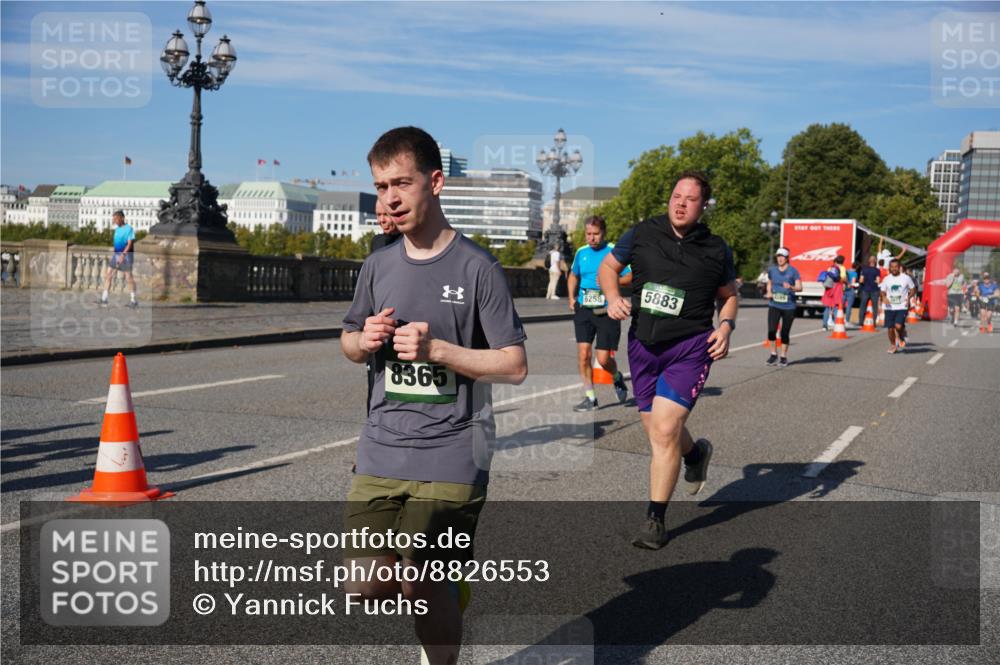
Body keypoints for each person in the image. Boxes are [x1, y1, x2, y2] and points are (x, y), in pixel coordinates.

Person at [340, 126, 528, 665]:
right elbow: (348, 342)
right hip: (381, 445)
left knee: (420, 577)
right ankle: (451, 589)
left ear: (436, 181)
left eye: (401, 182)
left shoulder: (478, 268)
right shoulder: (378, 265)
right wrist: (363, 340)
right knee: (365, 585)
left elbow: (514, 365)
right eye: (380, 187)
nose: (390, 198)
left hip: (452, 451)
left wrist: (440, 351)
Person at [598, 170, 738, 550]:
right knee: (660, 432)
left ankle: (654, 520)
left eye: (690, 199)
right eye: (677, 195)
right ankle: (696, 453)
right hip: (643, 347)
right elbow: (608, 268)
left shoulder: (715, 248)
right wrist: (612, 297)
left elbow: (728, 295)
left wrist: (725, 327)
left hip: (690, 348)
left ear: (703, 206)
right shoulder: (642, 233)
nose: (681, 203)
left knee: (663, 431)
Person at [567, 215, 631, 411]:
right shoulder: (581, 252)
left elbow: (630, 275)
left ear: (603, 233)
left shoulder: (614, 251)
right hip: (584, 310)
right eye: (588, 234)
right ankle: (590, 398)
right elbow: (573, 274)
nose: (591, 238)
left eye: (596, 234)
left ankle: (616, 376)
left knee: (603, 360)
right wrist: (571, 297)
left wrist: (612, 281)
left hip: (607, 311)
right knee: (583, 355)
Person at [764, 247, 802, 367]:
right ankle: (773, 354)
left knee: (784, 333)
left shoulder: (793, 271)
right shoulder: (772, 270)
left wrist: (791, 287)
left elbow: (800, 287)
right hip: (774, 304)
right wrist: (769, 292)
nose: (780, 258)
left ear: (787, 258)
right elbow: (769, 282)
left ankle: (783, 357)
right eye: (778, 256)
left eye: (782, 256)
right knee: (771, 331)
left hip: (789, 306)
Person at [100, 210, 138, 308]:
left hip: (126, 257)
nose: (114, 221)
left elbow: (129, 244)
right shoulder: (116, 230)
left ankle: (133, 300)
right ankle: (104, 299)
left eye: (116, 219)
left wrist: (123, 255)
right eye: (113, 219)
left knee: (129, 278)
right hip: (116, 255)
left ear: (122, 218)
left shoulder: (129, 229)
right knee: (108, 275)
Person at [879, 258, 915, 354]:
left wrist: (909, 297)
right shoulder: (886, 279)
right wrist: (884, 297)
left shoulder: (906, 278)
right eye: (892, 267)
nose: (894, 268)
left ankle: (902, 335)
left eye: (896, 267)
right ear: (890, 268)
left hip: (902, 306)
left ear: (899, 267)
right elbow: (882, 291)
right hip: (889, 307)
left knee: (898, 326)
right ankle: (893, 345)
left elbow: (913, 289)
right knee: (890, 328)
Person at [820, 255, 845, 330]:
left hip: (829, 288)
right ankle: (836, 324)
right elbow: (843, 279)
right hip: (837, 288)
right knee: (836, 307)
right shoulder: (842, 268)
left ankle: (824, 325)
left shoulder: (830, 268)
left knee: (827, 307)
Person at [857, 255, 881, 325]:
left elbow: (861, 280)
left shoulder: (864, 269)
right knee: (875, 307)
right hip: (874, 290)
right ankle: (873, 322)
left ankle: (861, 322)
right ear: (875, 262)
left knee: (863, 306)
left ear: (869, 261)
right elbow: (878, 281)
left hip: (865, 289)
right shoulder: (877, 270)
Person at [843, 260, 859, 325]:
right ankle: (847, 320)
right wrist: (856, 285)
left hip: (844, 289)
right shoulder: (855, 273)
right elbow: (853, 282)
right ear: (857, 267)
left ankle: (837, 318)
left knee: (841, 304)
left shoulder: (847, 271)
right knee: (849, 306)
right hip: (851, 289)